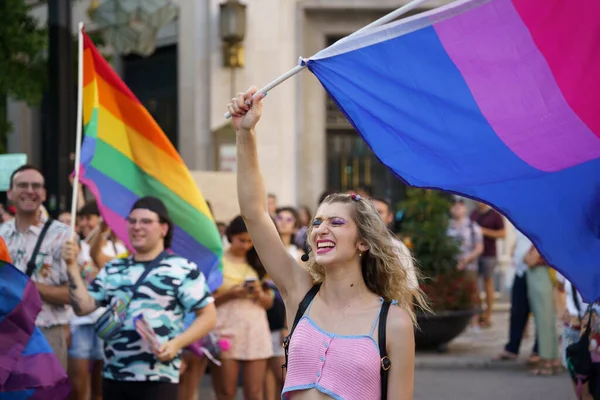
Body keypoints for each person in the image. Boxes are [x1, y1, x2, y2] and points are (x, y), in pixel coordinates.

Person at [227, 87, 426, 399]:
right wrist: (245, 133)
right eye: (317, 222)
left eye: (337, 222)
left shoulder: (394, 322)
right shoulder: (298, 291)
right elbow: (254, 213)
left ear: (362, 243)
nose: (320, 230)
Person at [62, 196, 217, 400]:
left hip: (159, 378)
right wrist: (72, 265)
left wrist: (177, 344)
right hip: (114, 377)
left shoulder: (182, 269)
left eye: (146, 221)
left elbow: (208, 316)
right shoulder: (113, 268)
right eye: (132, 221)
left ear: (163, 229)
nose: (137, 227)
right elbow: (83, 307)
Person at [0, 164, 72, 370]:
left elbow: (74, 295)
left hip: (46, 335)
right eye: (22, 185)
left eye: (36, 186)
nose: (29, 190)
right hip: (5, 337)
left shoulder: (63, 236)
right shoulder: (0, 235)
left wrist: (25, 286)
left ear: (44, 193)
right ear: (10, 193)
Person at [211, 215, 273, 400]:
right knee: (226, 392)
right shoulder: (218, 260)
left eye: (250, 241)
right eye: (241, 240)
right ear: (230, 236)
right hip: (225, 327)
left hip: (255, 328)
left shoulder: (259, 261)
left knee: (254, 392)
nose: (245, 245)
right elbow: (206, 300)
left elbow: (270, 302)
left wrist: (259, 294)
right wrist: (231, 294)